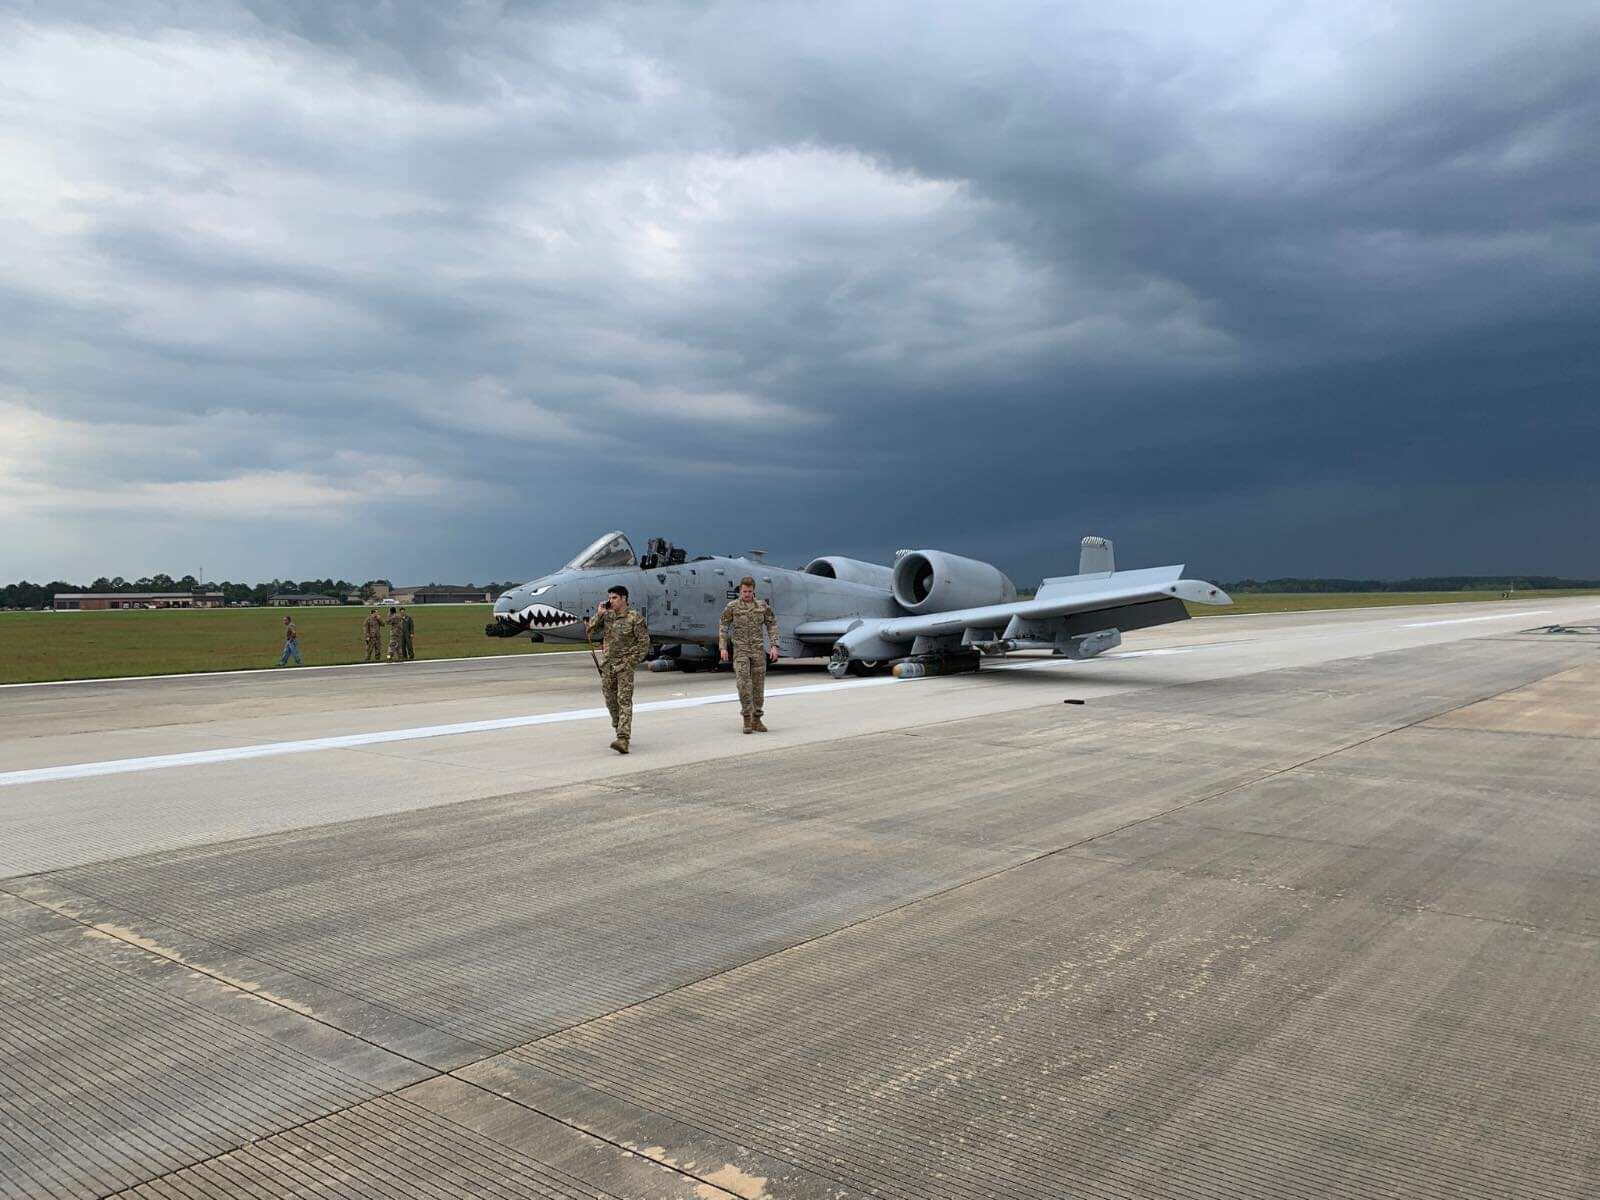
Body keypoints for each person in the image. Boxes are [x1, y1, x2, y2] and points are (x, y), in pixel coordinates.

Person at [586, 584, 650, 754]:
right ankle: (618, 727)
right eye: (610, 598)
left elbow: (644, 645)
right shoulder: (607, 616)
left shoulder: (635, 618)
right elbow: (590, 631)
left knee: (624, 700)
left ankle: (623, 739)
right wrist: (598, 615)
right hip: (608, 666)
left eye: (614, 598)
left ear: (624, 599)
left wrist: (629, 662)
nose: (610, 601)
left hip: (625, 666)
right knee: (610, 700)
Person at [719, 575, 780, 733]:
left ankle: (757, 719)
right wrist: (723, 647)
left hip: (758, 652)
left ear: (754, 591)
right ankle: (747, 718)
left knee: (758, 687)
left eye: (750, 591)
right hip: (741, 651)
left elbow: (772, 624)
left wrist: (774, 645)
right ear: (740, 590)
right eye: (744, 591)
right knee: (744, 685)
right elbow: (723, 626)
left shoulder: (762, 606)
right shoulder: (732, 607)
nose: (747, 594)